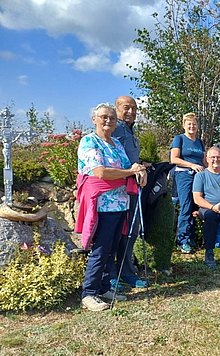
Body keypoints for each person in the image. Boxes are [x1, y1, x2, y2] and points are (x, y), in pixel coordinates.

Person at [76, 103, 147, 311]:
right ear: (94, 119)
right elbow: (100, 172)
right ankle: (89, 293)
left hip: (120, 203)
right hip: (101, 205)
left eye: (112, 118)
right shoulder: (89, 141)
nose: (108, 121)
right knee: (100, 249)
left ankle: (105, 287)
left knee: (112, 248)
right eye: (104, 117)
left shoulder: (116, 143)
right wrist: (130, 173)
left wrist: (139, 171)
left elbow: (128, 167)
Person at [111, 95, 148, 289]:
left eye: (134, 108)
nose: (131, 112)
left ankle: (126, 271)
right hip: (115, 190)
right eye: (126, 108)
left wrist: (142, 165)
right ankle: (111, 275)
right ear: (116, 108)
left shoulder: (130, 132)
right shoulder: (114, 129)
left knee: (131, 231)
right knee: (114, 231)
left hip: (132, 188)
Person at [170, 113, 205, 253]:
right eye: (189, 124)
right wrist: (191, 165)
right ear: (184, 125)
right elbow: (174, 159)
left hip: (199, 176)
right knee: (186, 206)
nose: (192, 126)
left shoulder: (199, 142)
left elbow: (203, 161)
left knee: (196, 206)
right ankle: (182, 240)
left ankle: (192, 237)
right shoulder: (179, 139)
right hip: (184, 174)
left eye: (194, 124)